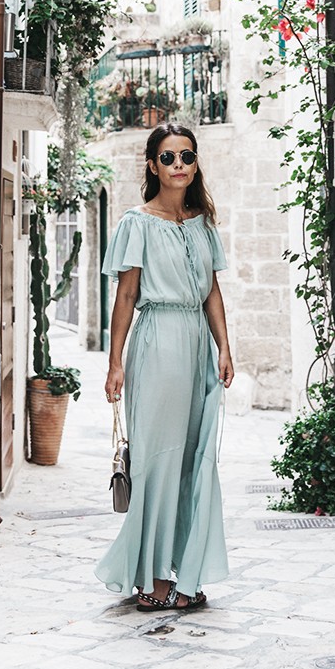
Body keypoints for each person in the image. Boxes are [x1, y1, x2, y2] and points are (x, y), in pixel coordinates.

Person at [96, 123, 234, 611]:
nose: (179, 165)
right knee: (158, 458)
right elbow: (127, 295)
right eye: (169, 157)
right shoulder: (138, 221)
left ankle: (189, 574)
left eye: (187, 157)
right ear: (153, 165)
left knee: (196, 459)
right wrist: (115, 363)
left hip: (197, 342)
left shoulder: (201, 222)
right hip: (157, 343)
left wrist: (224, 346)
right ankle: (153, 578)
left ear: (195, 164)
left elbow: (211, 291)